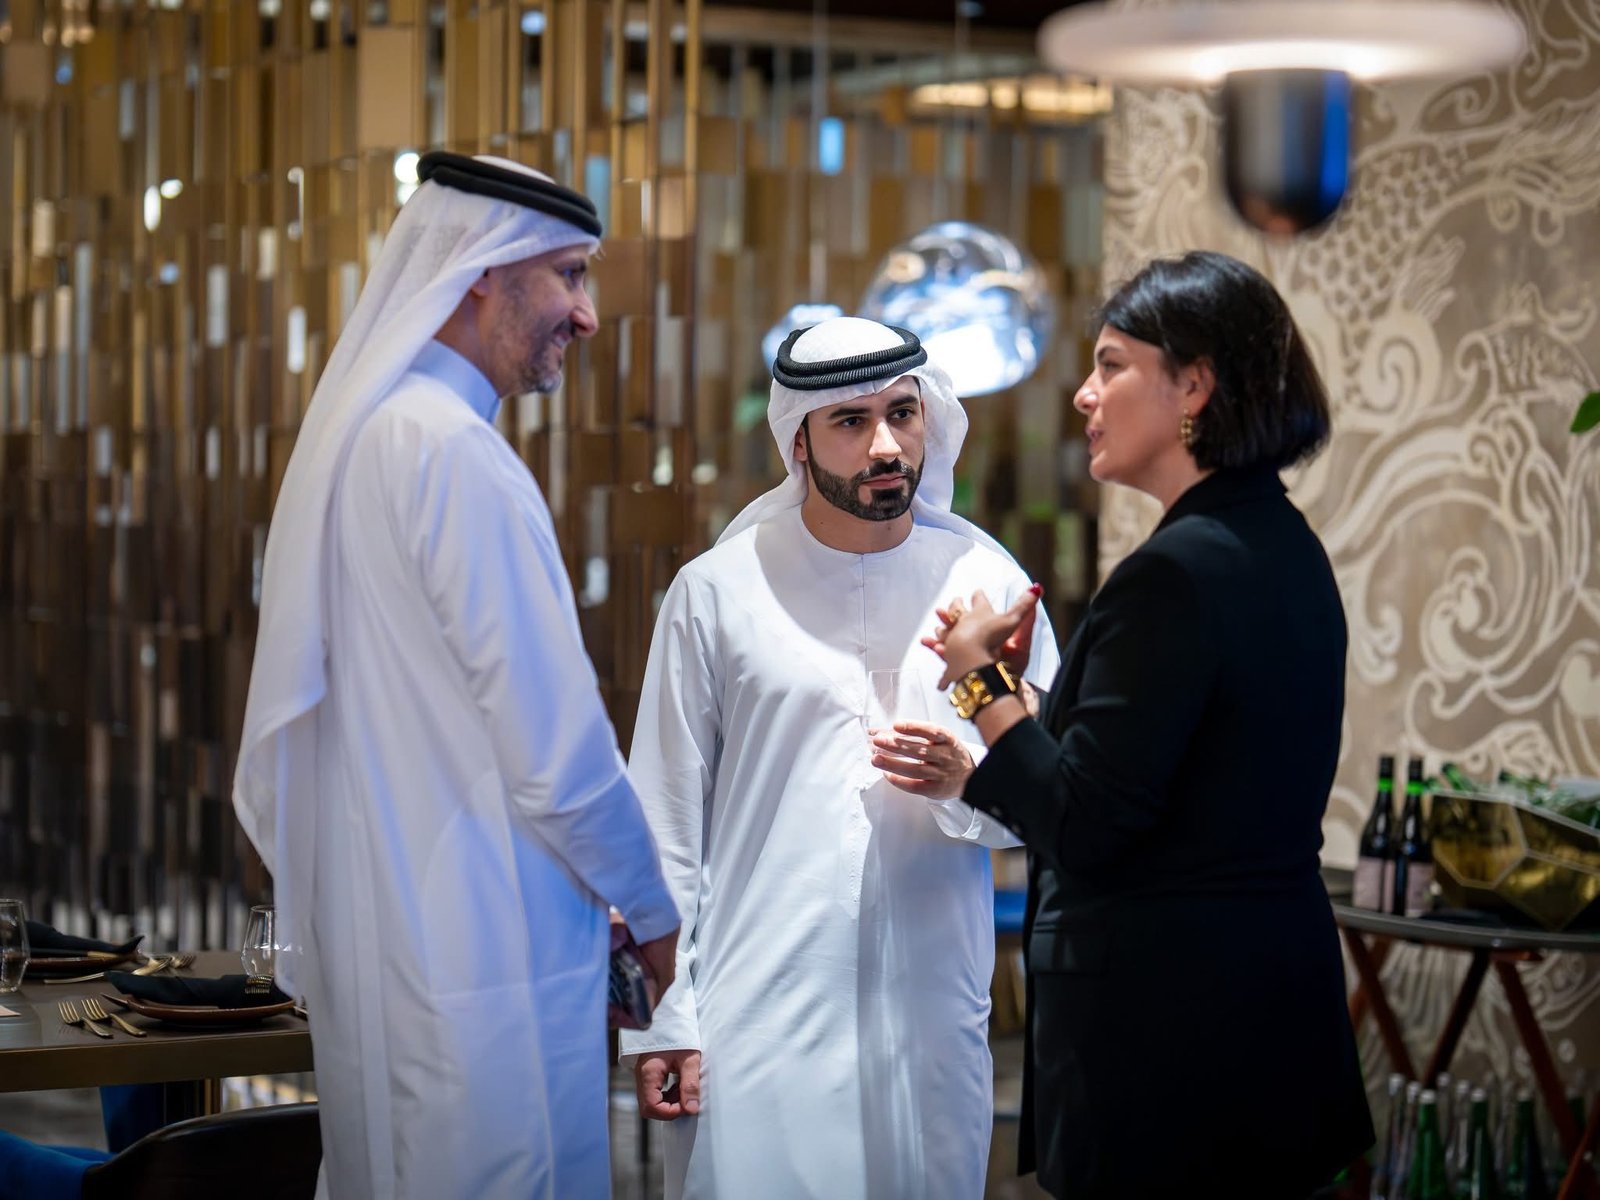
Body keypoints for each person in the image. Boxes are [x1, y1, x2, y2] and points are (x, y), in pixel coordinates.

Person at [231, 152, 680, 1200]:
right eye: (569, 274)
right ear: (484, 269)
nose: (587, 315)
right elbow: (558, 757)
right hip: (485, 948)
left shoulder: (375, 437)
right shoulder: (451, 452)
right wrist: (655, 915)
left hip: (398, 934)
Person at [926, 251, 1374, 1199]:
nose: (1084, 395)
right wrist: (1034, 708)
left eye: (1111, 364)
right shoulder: (1282, 545)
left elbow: (1086, 823)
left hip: (1171, 1046)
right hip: (1269, 1013)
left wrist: (976, 684)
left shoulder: (1172, 574)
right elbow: (1180, 771)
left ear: (1194, 386)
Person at [618, 316, 1061, 1199]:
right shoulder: (717, 592)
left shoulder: (991, 584)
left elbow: (1050, 805)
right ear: (800, 441)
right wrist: (662, 1019)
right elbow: (663, 819)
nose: (885, 444)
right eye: (852, 422)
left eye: (903, 413)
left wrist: (967, 785)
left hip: (928, 1020)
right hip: (755, 1015)